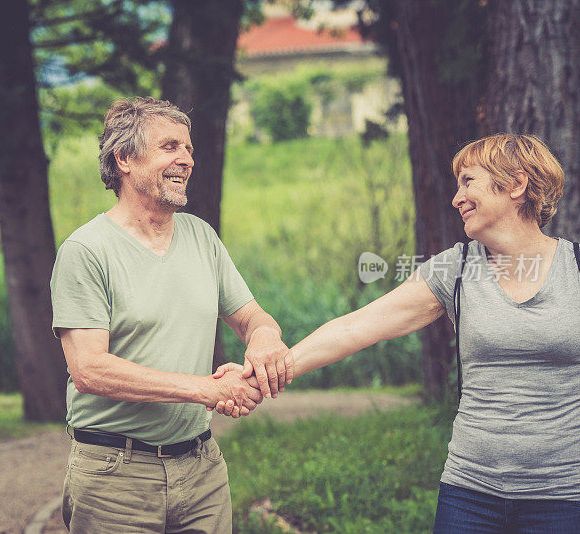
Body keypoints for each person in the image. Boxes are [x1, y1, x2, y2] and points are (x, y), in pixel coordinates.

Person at [216, 133, 580, 532]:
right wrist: (264, 373)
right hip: (471, 494)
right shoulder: (454, 269)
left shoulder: (574, 268)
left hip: (564, 495)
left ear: (516, 185)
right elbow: (356, 327)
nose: (456, 199)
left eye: (468, 182)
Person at [50, 96, 294, 534]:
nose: (186, 159)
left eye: (189, 149)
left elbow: (253, 316)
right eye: (169, 147)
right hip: (114, 475)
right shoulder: (86, 251)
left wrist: (264, 339)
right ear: (124, 158)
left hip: (201, 469)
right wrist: (204, 389)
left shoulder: (201, 236)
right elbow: (89, 370)